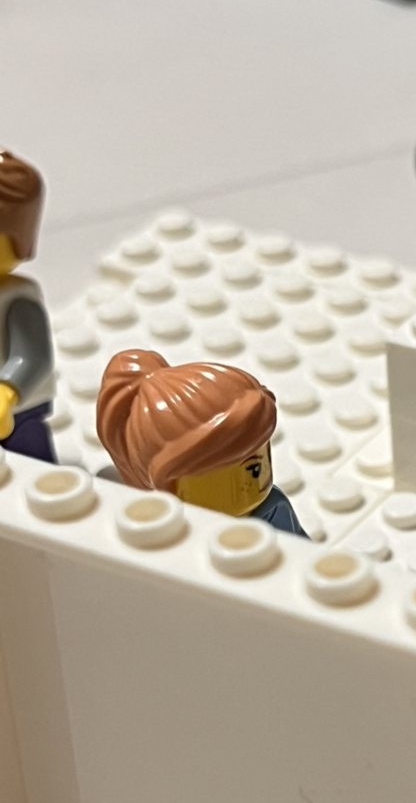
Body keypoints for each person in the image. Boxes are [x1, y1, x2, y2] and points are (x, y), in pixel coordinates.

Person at [96, 350, 307, 537]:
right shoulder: (173, 534)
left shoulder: (273, 508)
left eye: (261, 458)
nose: (256, 474)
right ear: (173, 486)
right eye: (244, 467)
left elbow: (303, 553)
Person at [0, 151, 55, 461]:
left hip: (18, 409)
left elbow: (32, 356)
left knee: (32, 463)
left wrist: (6, 392)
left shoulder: (18, 297)